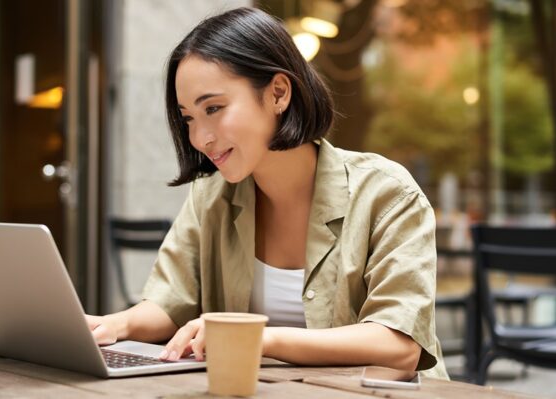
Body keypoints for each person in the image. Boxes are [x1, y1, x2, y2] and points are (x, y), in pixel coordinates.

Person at [87, 6, 448, 379]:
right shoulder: (212, 197)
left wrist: (257, 338)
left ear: (278, 93)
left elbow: (399, 346)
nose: (200, 137)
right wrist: (112, 326)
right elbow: (168, 302)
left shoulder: (387, 194)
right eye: (189, 118)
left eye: (214, 107)